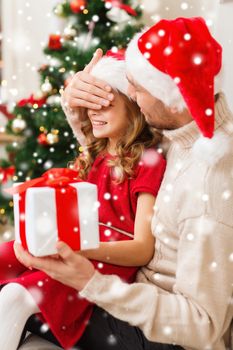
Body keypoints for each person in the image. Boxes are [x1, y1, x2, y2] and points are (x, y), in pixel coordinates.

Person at [16, 17, 232, 350]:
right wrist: (76, 100)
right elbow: (116, 150)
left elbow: (202, 326)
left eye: (138, 88)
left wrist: (91, 282)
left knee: (22, 299)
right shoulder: (176, 131)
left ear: (170, 96)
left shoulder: (209, 186)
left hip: (165, 336)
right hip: (133, 292)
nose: (129, 94)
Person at [0, 53, 165, 350]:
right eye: (89, 103)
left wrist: (81, 249)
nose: (92, 112)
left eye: (104, 101)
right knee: (4, 255)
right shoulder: (98, 153)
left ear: (132, 103)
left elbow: (142, 248)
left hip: (103, 263)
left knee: (16, 297)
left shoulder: (147, 161)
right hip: (75, 244)